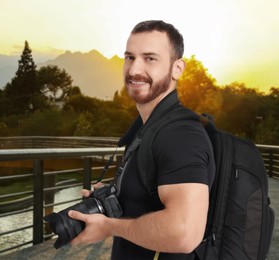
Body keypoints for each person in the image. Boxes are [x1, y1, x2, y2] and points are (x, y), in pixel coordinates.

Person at [68, 20, 215, 259]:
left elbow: (184, 234)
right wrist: (120, 192)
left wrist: (109, 226)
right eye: (129, 57)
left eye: (150, 58)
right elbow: (152, 196)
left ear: (177, 68)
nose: (135, 69)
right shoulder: (148, 128)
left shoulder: (181, 135)